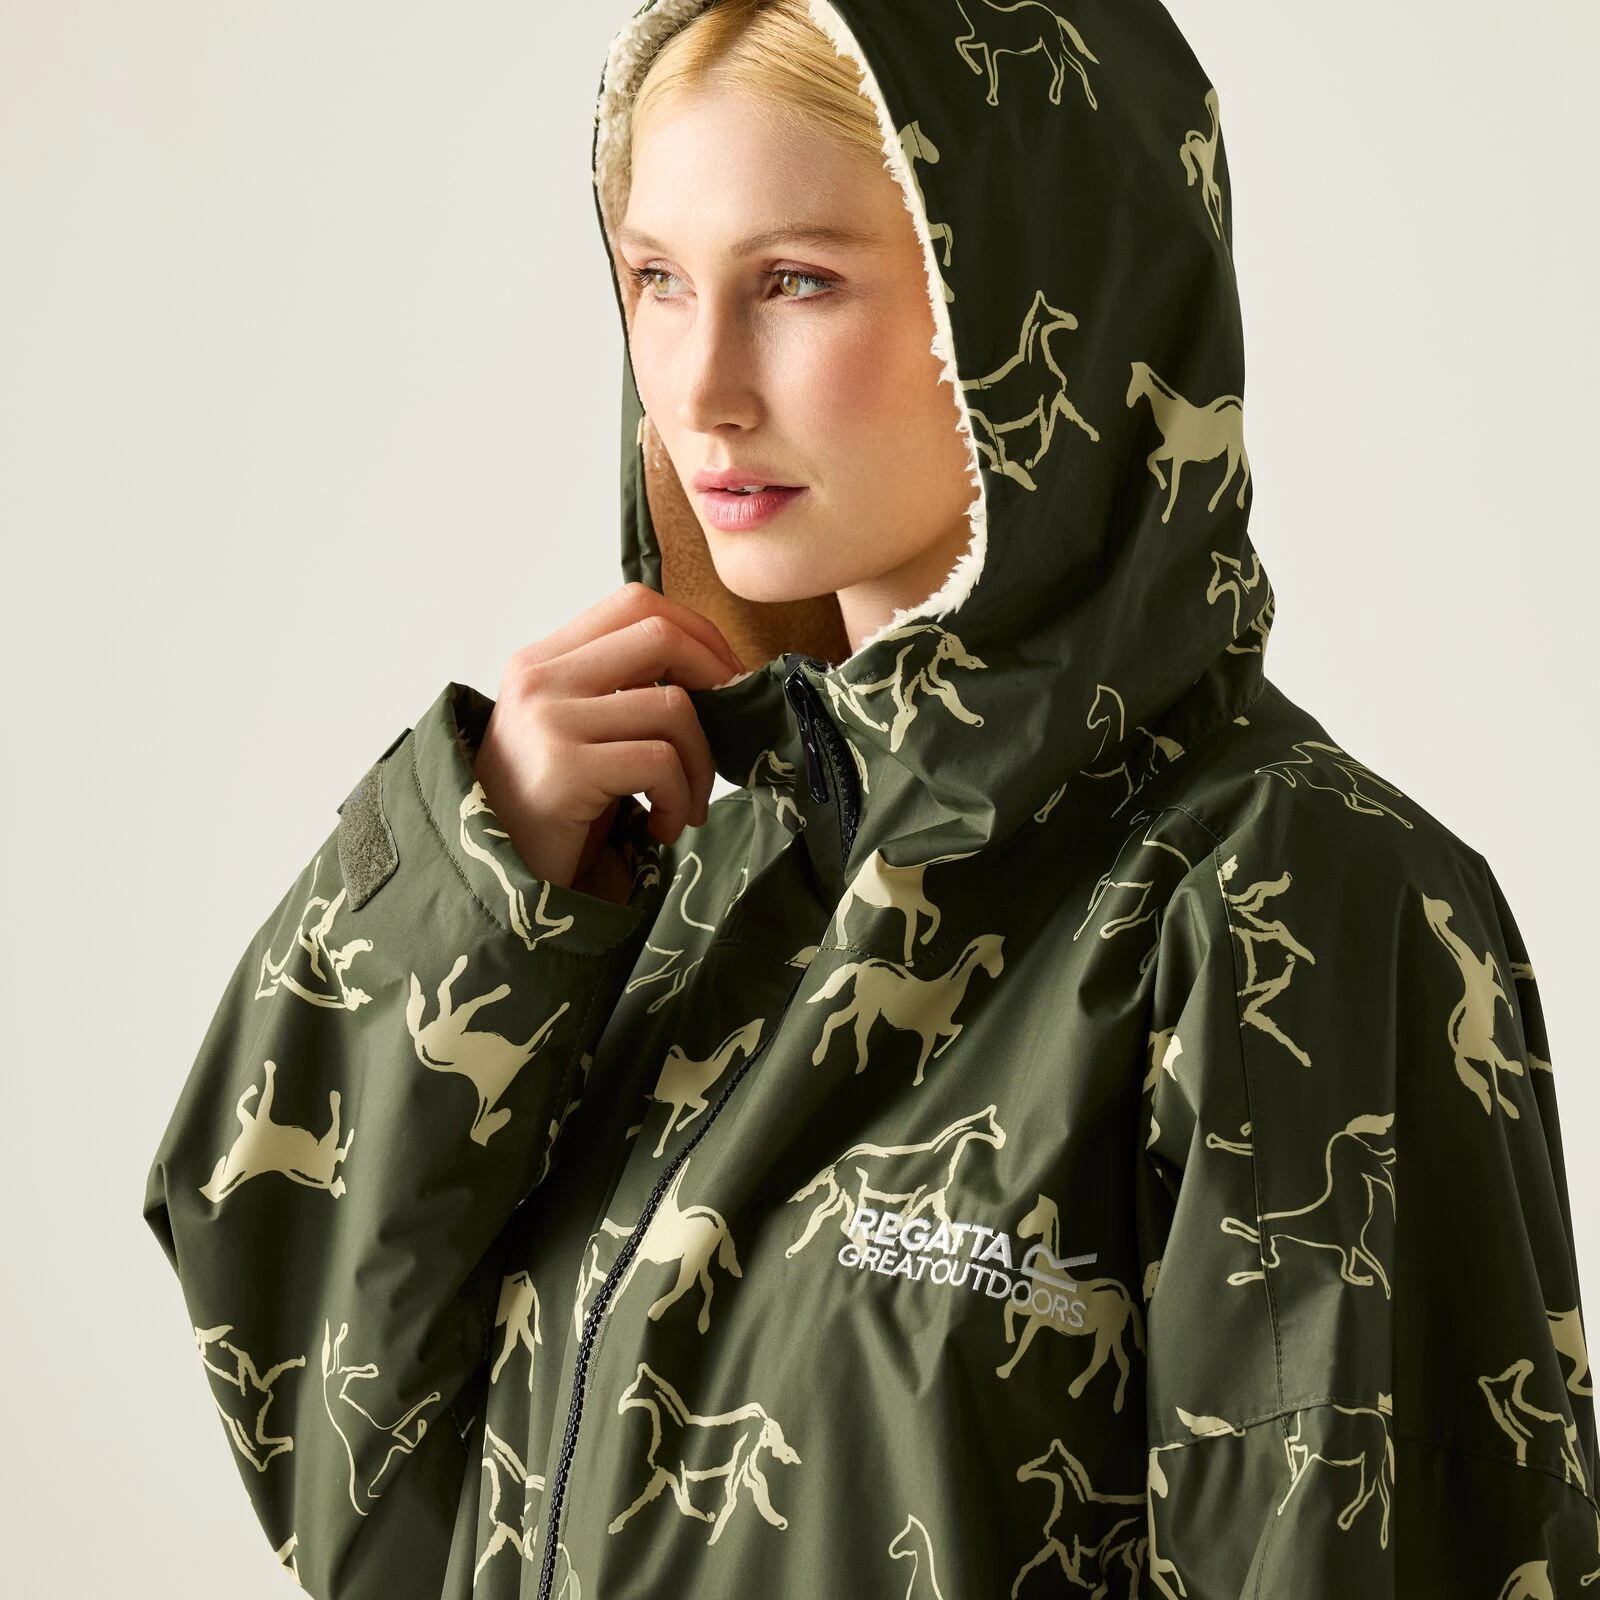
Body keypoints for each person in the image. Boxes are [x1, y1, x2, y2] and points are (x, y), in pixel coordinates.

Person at [142, 1, 1599, 1595]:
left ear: (1040, 296)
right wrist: (474, 886)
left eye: (796, 281)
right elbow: (353, 1470)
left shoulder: (1286, 903)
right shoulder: (661, 880)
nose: (700, 388)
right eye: (657, 278)